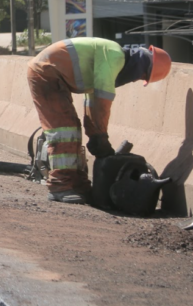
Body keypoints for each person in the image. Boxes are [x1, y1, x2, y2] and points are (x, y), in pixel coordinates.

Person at [27, 37, 171, 204]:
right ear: (143, 66)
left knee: (73, 129)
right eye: (142, 76)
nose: (136, 79)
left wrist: (95, 134)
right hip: (45, 72)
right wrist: (100, 137)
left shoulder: (110, 55)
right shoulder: (114, 55)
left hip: (51, 73)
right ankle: (60, 186)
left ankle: (78, 184)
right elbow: (102, 101)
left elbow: (92, 100)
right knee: (64, 131)